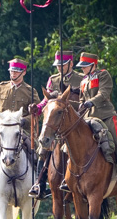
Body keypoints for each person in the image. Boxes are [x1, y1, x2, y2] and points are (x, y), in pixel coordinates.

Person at [0, 57, 39, 201]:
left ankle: (38, 184)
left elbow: (37, 114)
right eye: (12, 70)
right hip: (1, 132)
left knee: (36, 152)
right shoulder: (1, 87)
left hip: (22, 131)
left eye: (17, 71)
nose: (13, 73)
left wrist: (25, 120)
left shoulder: (30, 91)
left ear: (23, 72)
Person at [29, 50, 82, 199]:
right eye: (57, 65)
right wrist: (37, 108)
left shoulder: (81, 79)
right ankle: (40, 184)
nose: (59, 68)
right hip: (56, 123)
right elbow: (46, 101)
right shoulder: (52, 80)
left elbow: (85, 100)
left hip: (74, 122)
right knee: (43, 146)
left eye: (62, 65)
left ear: (71, 64)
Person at [76, 52, 117, 189]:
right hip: (89, 118)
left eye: (85, 66)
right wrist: (81, 106)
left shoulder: (103, 75)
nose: (82, 69)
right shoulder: (83, 80)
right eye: (82, 66)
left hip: (105, 115)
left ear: (93, 65)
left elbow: (104, 93)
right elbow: (82, 100)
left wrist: (91, 102)